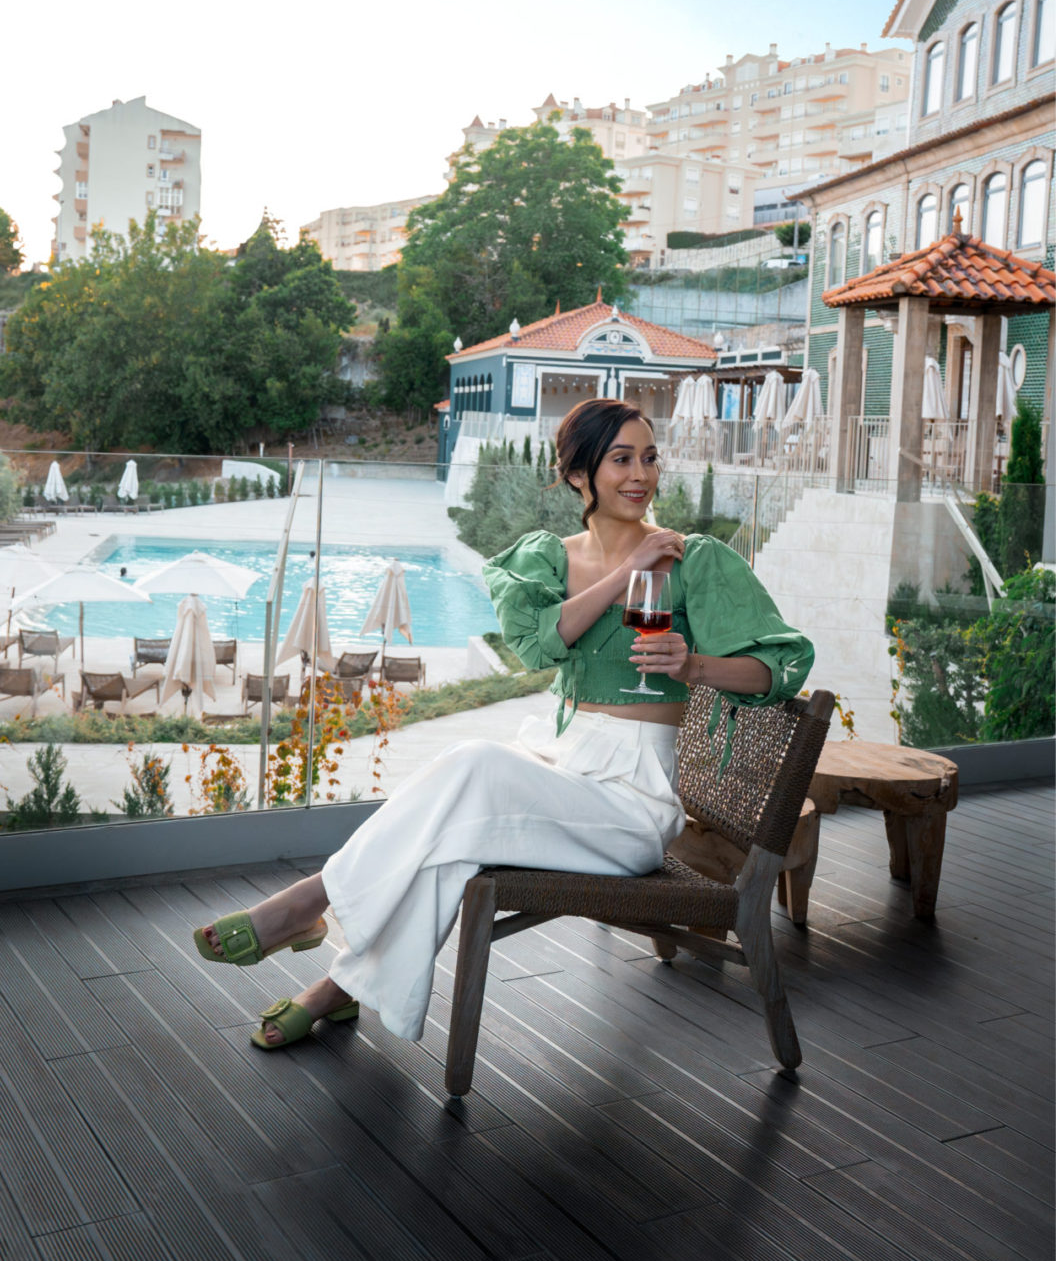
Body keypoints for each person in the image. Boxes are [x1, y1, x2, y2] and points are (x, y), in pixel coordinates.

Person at [193, 397, 814, 1050]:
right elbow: (539, 647)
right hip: (559, 768)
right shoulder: (549, 559)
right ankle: (334, 991)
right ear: (579, 474)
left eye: (650, 458)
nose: (641, 475)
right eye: (621, 459)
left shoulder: (693, 560)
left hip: (632, 803)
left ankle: (309, 902)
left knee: (471, 767)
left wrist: (696, 666)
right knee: (449, 839)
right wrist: (623, 573)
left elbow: (784, 663)